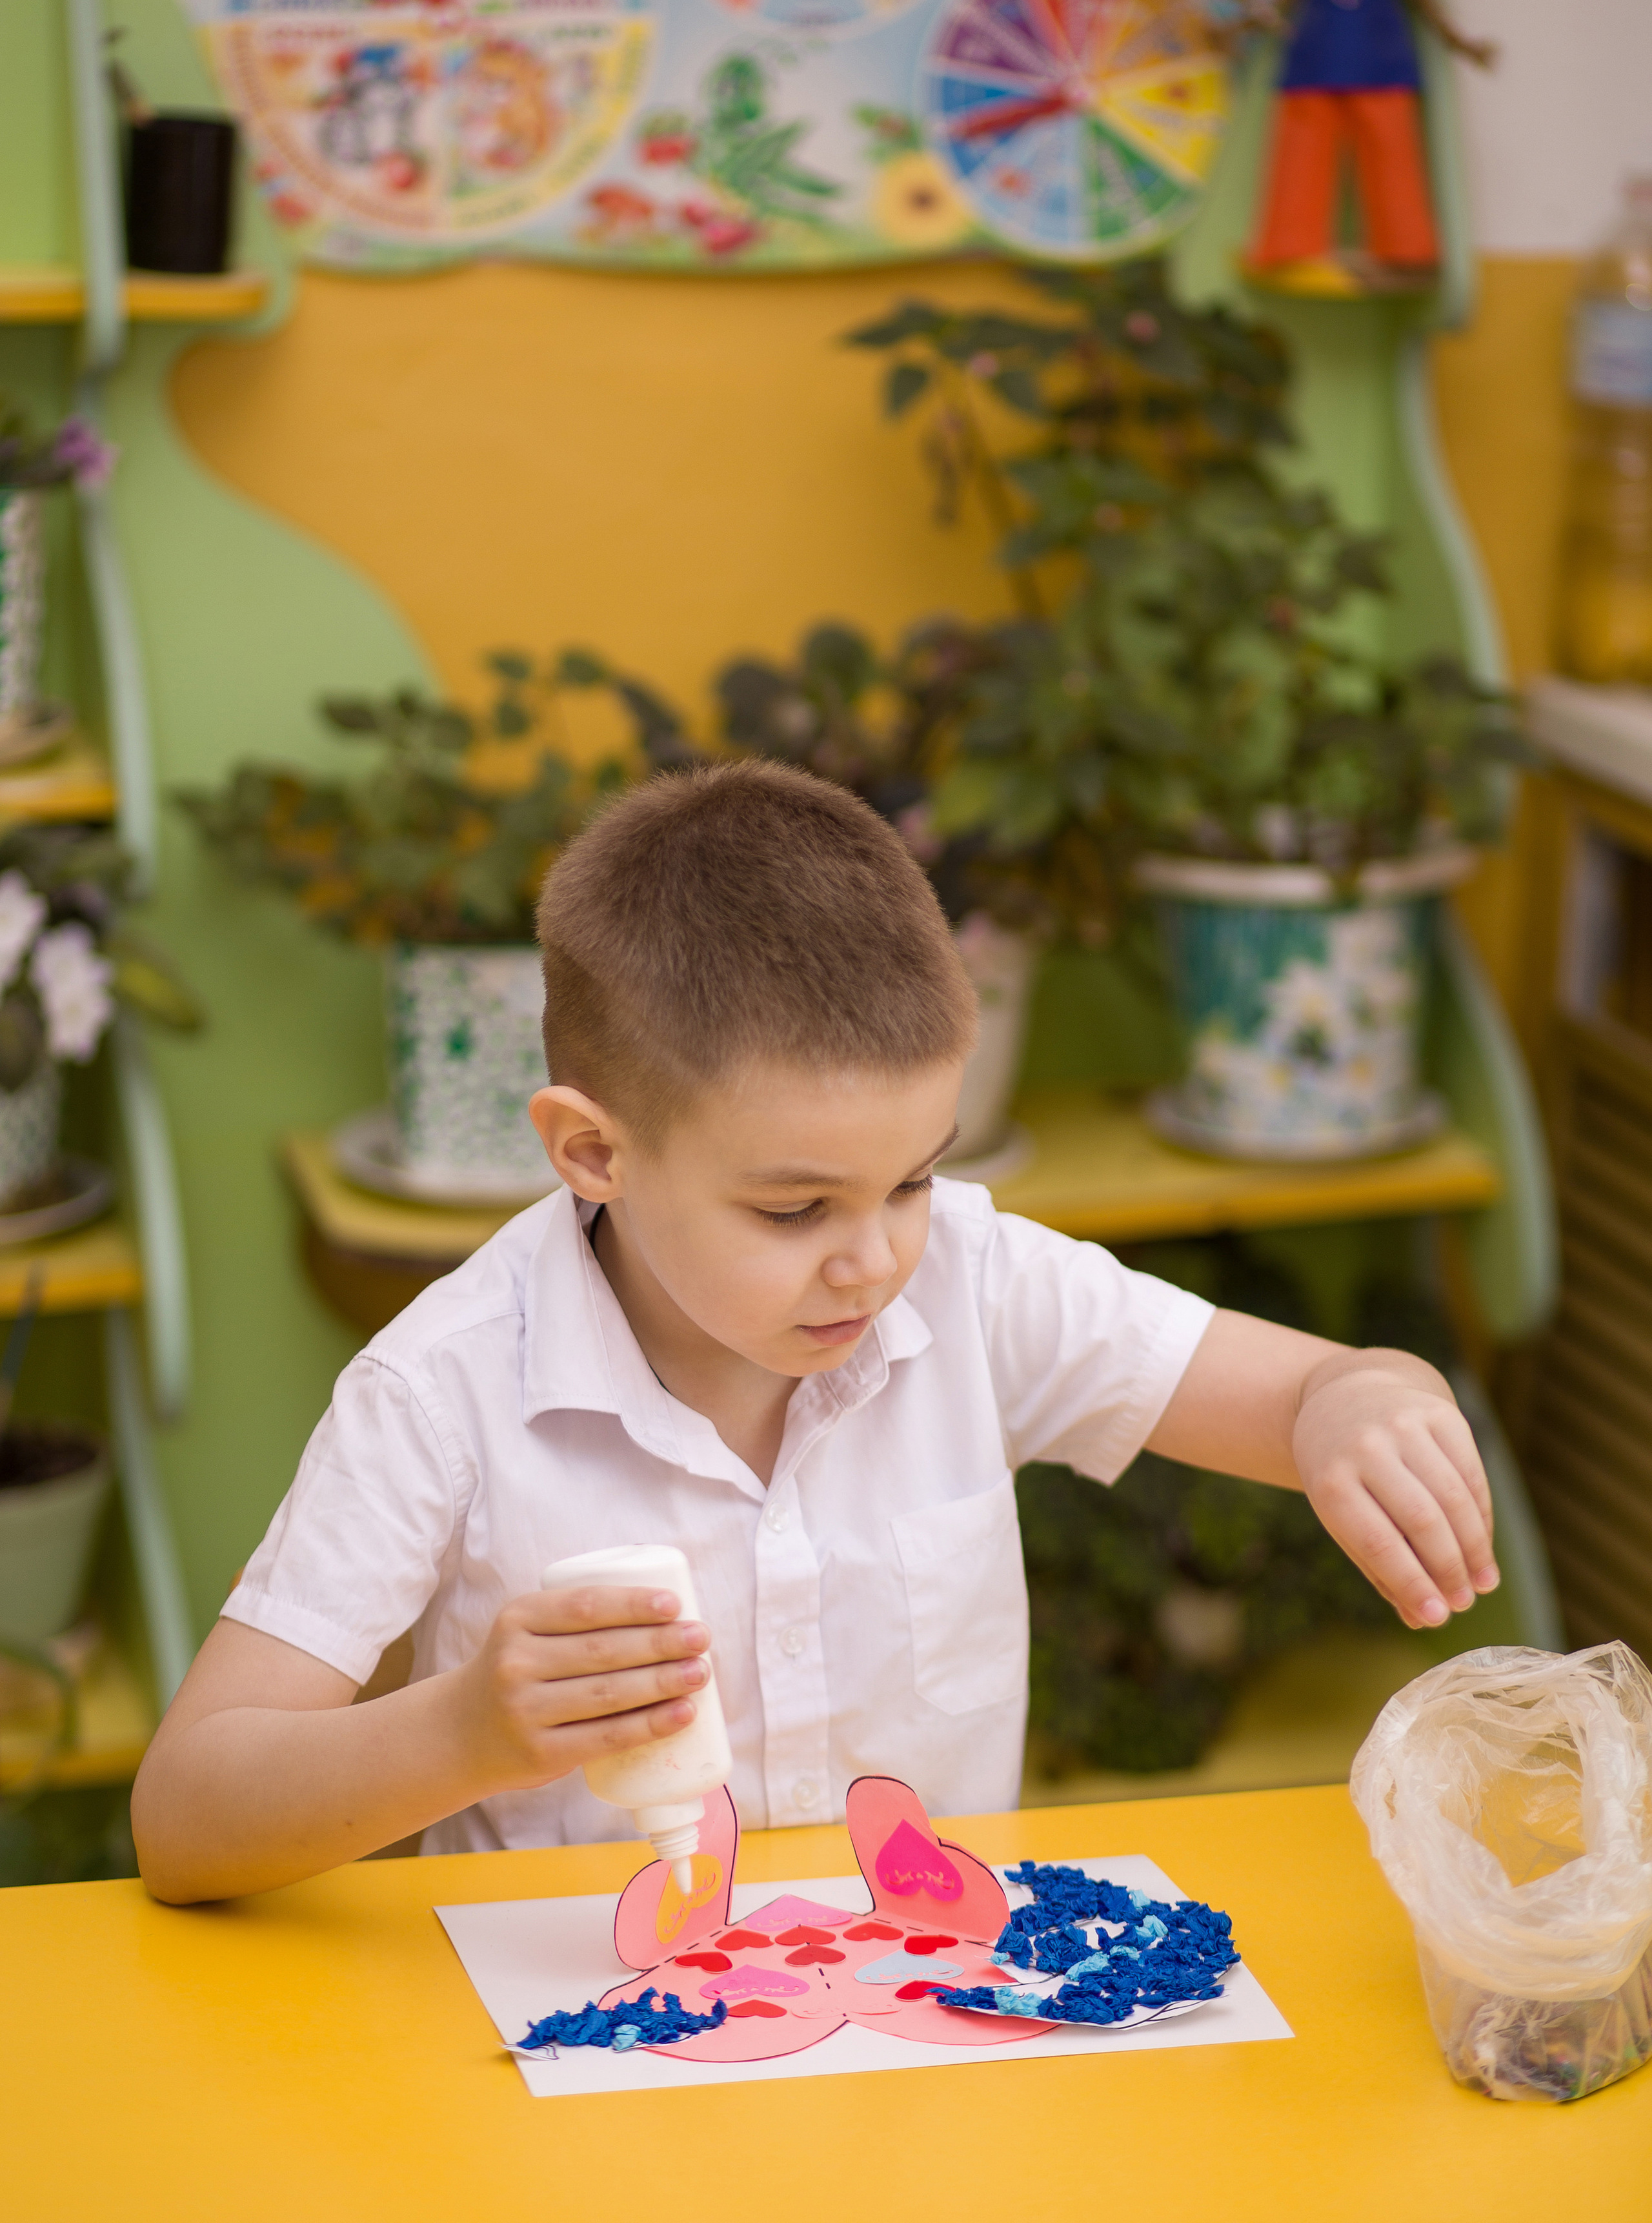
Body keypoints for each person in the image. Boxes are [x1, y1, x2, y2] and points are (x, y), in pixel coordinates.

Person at [132, 764, 1498, 1903]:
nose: (875, 1259)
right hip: (578, 2066)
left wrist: (1358, 1403)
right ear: (594, 1153)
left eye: (912, 1178)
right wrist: (464, 1731)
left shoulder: (967, 1280)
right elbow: (184, 1820)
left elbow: (1314, 1388)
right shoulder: (441, 1390)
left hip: (920, 2040)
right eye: (793, 1210)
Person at [1244, 0, 1495, 292]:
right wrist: (1243, 26)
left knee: (1392, 155)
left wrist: (1459, 41)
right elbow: (1277, 5)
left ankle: (1407, 253)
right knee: (1301, 154)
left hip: (1383, 66)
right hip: (1312, 65)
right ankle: (1287, 248)